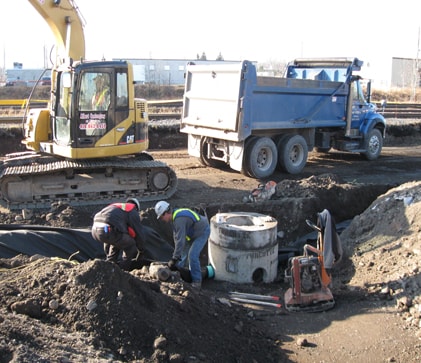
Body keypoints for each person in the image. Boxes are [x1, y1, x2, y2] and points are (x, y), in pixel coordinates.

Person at [154, 200, 210, 289]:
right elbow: (176, 237)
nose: (162, 220)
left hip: (202, 231)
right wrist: (175, 257)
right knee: (183, 254)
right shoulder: (174, 217)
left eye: (161, 217)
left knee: (192, 255)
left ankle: (197, 281)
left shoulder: (179, 220)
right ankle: (177, 273)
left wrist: (174, 258)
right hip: (192, 233)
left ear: (166, 213)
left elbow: (180, 241)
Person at [91, 198, 145, 271]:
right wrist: (141, 251)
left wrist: (108, 252)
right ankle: (124, 271)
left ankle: (110, 267)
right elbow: (138, 233)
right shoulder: (132, 210)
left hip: (95, 229)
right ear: (137, 207)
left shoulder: (118, 208)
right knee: (130, 245)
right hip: (108, 229)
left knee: (118, 241)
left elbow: (112, 240)